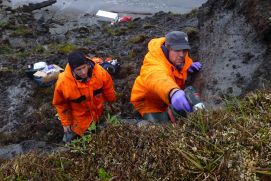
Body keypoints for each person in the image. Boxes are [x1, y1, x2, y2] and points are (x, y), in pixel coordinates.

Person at [130, 31, 202, 124]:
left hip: (169, 99)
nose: (182, 55)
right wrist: (173, 92)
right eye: (177, 50)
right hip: (149, 102)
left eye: (185, 50)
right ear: (168, 48)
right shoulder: (154, 61)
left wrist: (187, 66)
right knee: (162, 130)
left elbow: (184, 60)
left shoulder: (180, 57)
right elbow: (157, 77)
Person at [53, 51, 116, 143]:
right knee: (67, 143)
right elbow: (60, 104)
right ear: (72, 69)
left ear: (87, 64)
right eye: (79, 70)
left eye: (84, 67)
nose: (83, 72)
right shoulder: (63, 82)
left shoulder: (100, 73)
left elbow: (108, 88)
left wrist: (112, 102)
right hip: (78, 120)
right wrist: (66, 122)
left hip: (98, 113)